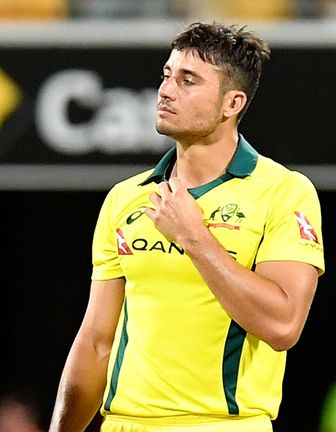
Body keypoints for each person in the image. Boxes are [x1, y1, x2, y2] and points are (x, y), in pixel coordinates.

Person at [49, 22, 325, 432]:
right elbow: (96, 341)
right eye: (167, 75)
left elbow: (283, 326)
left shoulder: (284, 192)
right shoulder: (126, 198)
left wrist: (193, 237)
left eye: (188, 80)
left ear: (232, 103)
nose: (166, 90)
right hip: (123, 424)